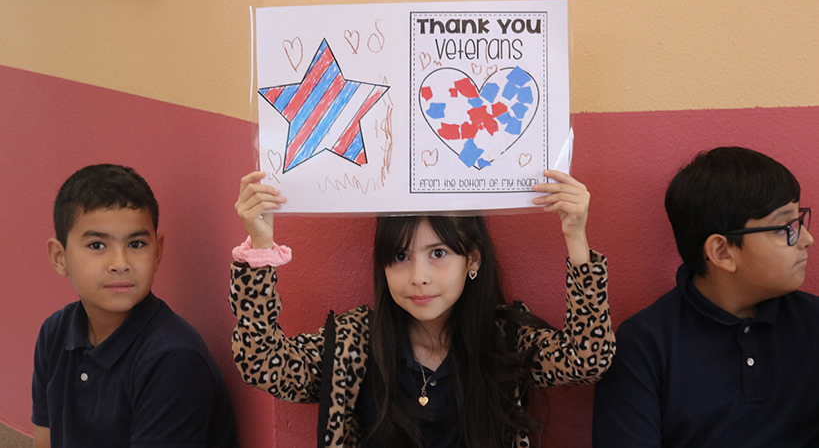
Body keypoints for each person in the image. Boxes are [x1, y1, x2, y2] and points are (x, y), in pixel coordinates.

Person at [230, 169, 615, 448]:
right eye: (400, 256)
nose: (419, 276)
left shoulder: (504, 341)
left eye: (438, 253)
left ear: (473, 259)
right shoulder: (355, 344)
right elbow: (264, 363)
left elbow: (589, 357)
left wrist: (576, 237)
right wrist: (261, 245)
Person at [592, 146, 819, 447]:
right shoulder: (645, 345)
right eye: (784, 228)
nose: (807, 239)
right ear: (722, 252)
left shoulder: (813, 324)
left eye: (800, 220)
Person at [32, 164, 238, 448]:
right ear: (59, 257)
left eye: (137, 244)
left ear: (157, 251)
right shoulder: (55, 333)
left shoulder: (173, 359)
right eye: (97, 246)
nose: (120, 264)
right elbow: (45, 440)